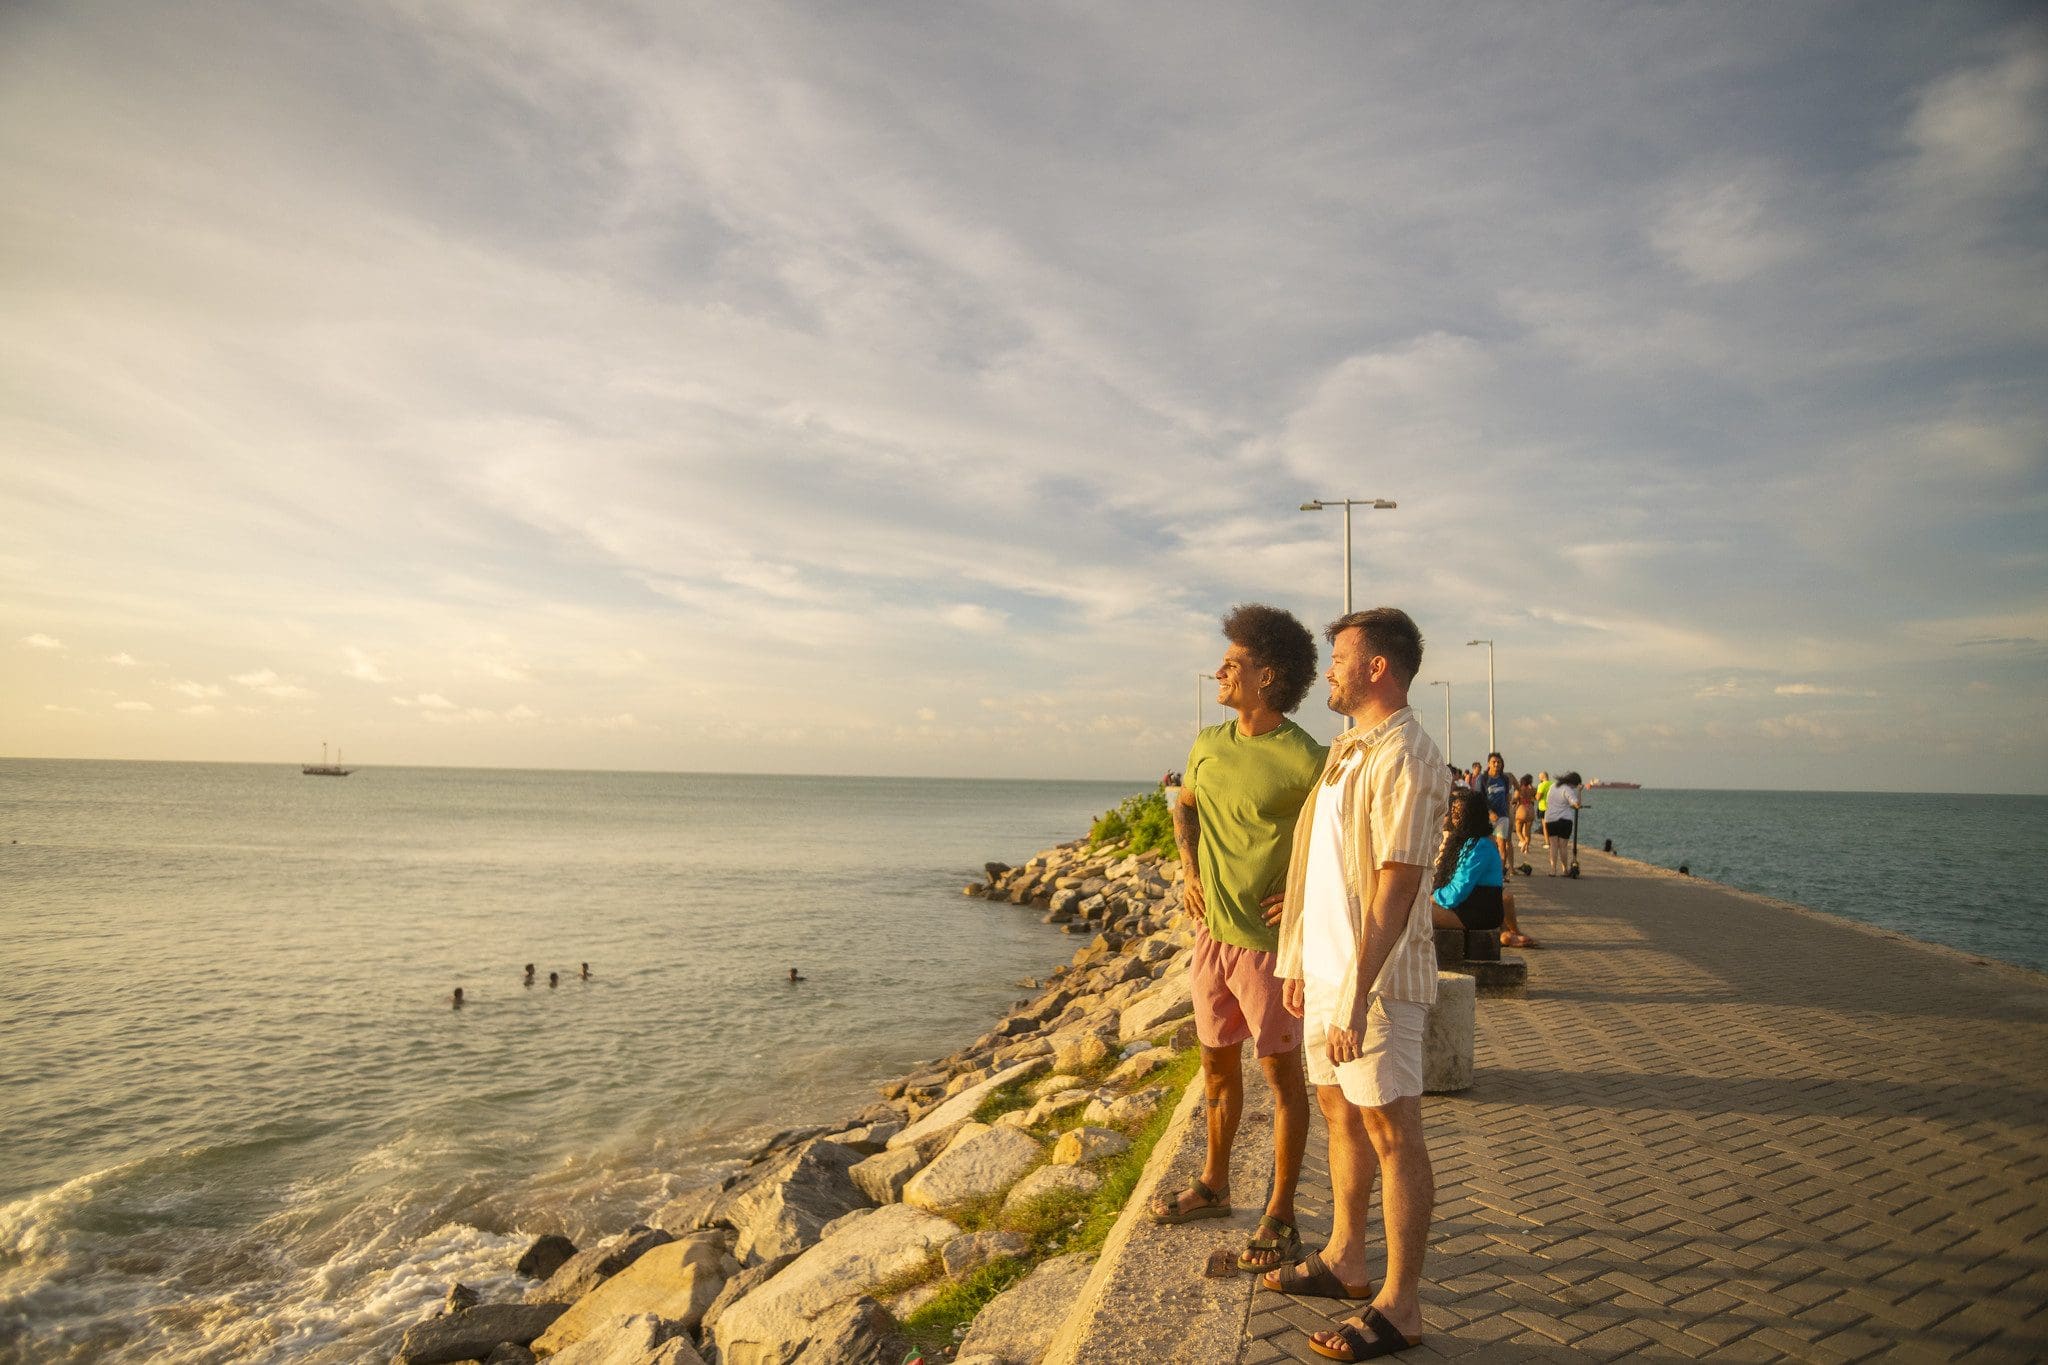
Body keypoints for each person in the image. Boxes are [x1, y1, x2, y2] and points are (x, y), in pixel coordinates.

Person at [1268, 607, 1445, 1361]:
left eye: (1341, 656)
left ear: (1378, 666)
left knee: (1393, 1130)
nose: (1330, 669)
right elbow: (1319, 865)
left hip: (1376, 982)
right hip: (1332, 972)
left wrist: (1355, 991)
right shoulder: (1348, 749)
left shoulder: (1408, 752)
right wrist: (1300, 961)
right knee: (1341, 1111)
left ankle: (1401, 1307)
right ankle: (1346, 1258)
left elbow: (1396, 886)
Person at [1151, 603, 1322, 1280]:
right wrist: (1189, 871)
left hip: (1271, 950)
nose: (1220, 669)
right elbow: (1184, 808)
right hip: (1212, 941)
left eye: (1234, 661)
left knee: (1282, 1080)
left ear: (1266, 676)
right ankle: (1215, 1185)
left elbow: (1335, 842)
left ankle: (1280, 1213)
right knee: (1216, 1070)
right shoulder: (1207, 742)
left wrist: (1304, 893)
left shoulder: (1305, 758)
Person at [1429, 788, 1504, 934]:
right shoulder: (1464, 841)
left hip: (1479, 913)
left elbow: (1457, 891)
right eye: (1453, 812)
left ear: (1473, 815)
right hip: (1465, 907)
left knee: (1416, 914)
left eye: (1461, 813)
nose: (1454, 818)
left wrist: (1432, 897)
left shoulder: (1480, 846)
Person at [1476, 753, 1516, 880]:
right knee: (1488, 845)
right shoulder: (1483, 779)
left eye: (1498, 762)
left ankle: (1500, 874)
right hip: (1487, 817)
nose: (1496, 764)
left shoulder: (1504, 779)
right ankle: (1487, 871)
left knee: (1502, 845)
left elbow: (1507, 796)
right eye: (1494, 762)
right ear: (1489, 763)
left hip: (1502, 816)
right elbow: (1480, 798)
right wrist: (1489, 812)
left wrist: (1508, 813)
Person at [1544, 771, 1583, 876]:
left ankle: (1553, 870)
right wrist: (1579, 792)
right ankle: (1565, 870)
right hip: (1564, 820)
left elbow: (1549, 800)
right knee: (1563, 846)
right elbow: (1577, 805)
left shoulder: (1553, 786)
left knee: (1553, 845)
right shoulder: (1568, 790)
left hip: (1550, 818)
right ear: (1574, 783)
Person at [1512, 774, 1536, 856]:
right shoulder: (1532, 790)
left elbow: (1514, 799)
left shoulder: (1519, 789)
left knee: (1518, 830)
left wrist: (1512, 802)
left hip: (1522, 809)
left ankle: (1523, 842)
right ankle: (1526, 848)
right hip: (1530, 809)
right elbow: (1536, 795)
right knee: (1528, 831)